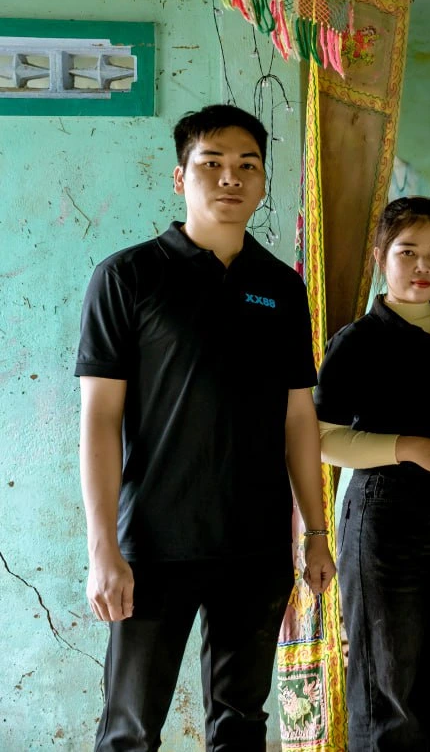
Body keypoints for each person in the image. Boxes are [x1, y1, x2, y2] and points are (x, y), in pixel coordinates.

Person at [76, 104, 336, 751]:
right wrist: (102, 548)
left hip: (255, 547)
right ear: (179, 177)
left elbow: (298, 416)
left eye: (247, 165)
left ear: (263, 181)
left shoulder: (280, 287)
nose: (230, 178)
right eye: (211, 163)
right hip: (154, 547)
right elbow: (100, 420)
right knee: (131, 729)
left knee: (241, 724)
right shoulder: (128, 277)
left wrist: (316, 532)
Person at [313, 196, 430, 750]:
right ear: (380, 258)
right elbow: (321, 439)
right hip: (383, 523)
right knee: (388, 687)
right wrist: (409, 448)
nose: (422, 266)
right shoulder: (359, 342)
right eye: (407, 252)